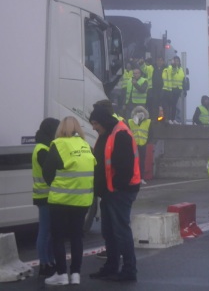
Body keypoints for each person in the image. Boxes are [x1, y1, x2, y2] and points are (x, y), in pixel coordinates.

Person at [88, 104, 141, 282]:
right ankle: (112, 266)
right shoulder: (107, 133)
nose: (93, 127)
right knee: (109, 231)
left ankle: (128, 269)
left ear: (102, 121)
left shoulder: (120, 134)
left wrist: (115, 187)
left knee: (120, 231)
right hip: (110, 192)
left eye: (95, 123)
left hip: (120, 192)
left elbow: (125, 166)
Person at [42, 117, 96, 286]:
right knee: (76, 237)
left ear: (61, 129)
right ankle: (76, 274)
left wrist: (58, 185)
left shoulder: (58, 144)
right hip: (82, 200)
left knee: (58, 237)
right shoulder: (86, 146)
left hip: (61, 199)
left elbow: (47, 172)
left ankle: (61, 274)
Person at [32, 117, 60, 277]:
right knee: (45, 231)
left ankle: (49, 261)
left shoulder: (44, 146)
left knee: (49, 231)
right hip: (45, 196)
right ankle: (44, 263)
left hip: (47, 195)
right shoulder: (42, 149)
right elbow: (51, 170)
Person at [127, 106, 151, 185]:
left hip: (142, 144)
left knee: (142, 162)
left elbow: (150, 133)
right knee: (132, 161)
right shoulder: (130, 121)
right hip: (133, 145)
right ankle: (133, 177)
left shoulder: (148, 122)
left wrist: (147, 142)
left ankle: (141, 178)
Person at [162, 56, 184, 124]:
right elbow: (172, 73)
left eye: (178, 61)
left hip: (178, 89)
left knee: (174, 105)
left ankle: (173, 119)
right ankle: (169, 119)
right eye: (175, 60)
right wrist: (173, 66)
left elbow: (182, 79)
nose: (176, 62)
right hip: (172, 89)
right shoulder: (170, 68)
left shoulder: (181, 69)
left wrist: (184, 88)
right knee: (170, 105)